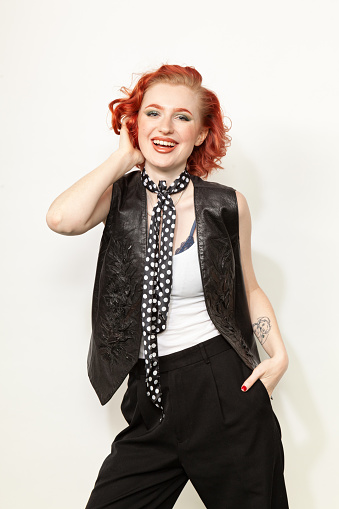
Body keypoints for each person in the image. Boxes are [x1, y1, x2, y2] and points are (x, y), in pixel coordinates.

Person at [46, 64, 289, 508]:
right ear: (134, 122)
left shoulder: (225, 205)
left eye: (182, 117)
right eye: (152, 113)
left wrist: (278, 355)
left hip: (219, 386)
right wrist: (124, 158)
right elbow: (62, 219)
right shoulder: (117, 196)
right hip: (148, 393)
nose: (165, 127)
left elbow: (249, 288)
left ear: (200, 134)